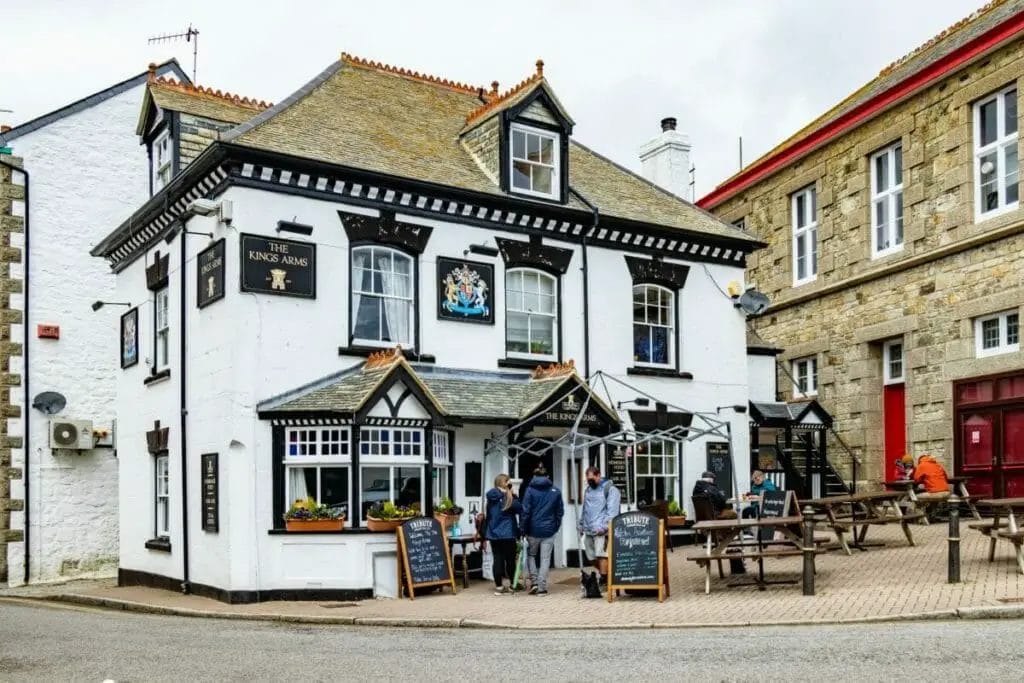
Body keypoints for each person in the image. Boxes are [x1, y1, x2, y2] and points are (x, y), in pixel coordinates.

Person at [520, 466, 564, 596]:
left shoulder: (529, 490)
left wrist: (523, 529)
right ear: (548, 477)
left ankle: (534, 582)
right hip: (549, 530)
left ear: (534, 476)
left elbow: (525, 512)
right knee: (545, 559)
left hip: (533, 530)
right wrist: (555, 526)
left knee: (531, 555)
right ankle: (542, 588)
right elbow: (560, 512)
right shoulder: (556, 491)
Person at [578, 466, 620, 580]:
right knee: (591, 557)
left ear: (598, 475)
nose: (590, 482)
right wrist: (581, 525)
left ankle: (605, 579)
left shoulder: (610, 490)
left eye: (592, 479)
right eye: (588, 480)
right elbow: (585, 509)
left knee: (602, 556)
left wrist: (605, 527)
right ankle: (608, 574)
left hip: (602, 531)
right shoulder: (588, 490)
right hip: (588, 529)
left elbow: (612, 512)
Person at [485, 473, 522, 595]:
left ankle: (499, 587)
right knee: (510, 560)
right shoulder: (508, 496)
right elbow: (520, 509)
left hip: (494, 533)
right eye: (509, 482)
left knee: (497, 559)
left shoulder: (490, 497)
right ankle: (513, 584)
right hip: (508, 533)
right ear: (505, 483)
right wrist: (513, 494)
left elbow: (489, 516)